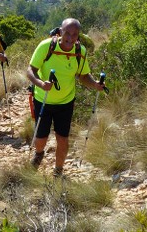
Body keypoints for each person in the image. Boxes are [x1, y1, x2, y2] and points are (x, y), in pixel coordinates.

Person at [27, 18, 106, 176]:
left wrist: (95, 84)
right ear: (60, 32)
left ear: (78, 35)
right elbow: (31, 70)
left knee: (62, 139)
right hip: (43, 99)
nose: (70, 38)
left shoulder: (80, 52)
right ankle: (39, 153)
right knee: (41, 139)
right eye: (67, 33)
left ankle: (58, 170)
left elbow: (83, 76)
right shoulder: (46, 46)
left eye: (74, 34)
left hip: (65, 103)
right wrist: (41, 83)